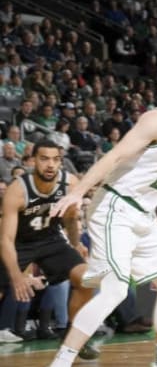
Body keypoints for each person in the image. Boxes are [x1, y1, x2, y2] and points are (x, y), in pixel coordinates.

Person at [48, 61, 157, 367]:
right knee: (116, 290)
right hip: (115, 205)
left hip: (144, 215)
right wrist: (78, 191)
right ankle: (62, 361)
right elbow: (116, 154)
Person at [0, 139, 97, 358]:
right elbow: (5, 239)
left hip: (51, 239)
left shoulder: (70, 184)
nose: (50, 165)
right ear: (33, 161)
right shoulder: (17, 190)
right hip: (18, 242)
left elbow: (71, 220)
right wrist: (16, 276)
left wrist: (76, 244)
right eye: (44, 159)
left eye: (56, 159)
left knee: (86, 278)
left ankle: (74, 336)